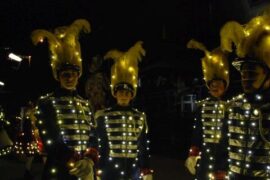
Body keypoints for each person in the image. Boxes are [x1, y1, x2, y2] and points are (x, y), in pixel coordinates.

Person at [31, 19, 98, 180]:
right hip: (60, 170)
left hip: (86, 170)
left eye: (73, 74)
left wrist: (89, 159)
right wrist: (75, 160)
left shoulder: (85, 103)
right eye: (65, 74)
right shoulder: (46, 102)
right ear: (58, 76)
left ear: (78, 75)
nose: (70, 78)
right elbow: (51, 140)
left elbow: (94, 135)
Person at [220, 14, 270, 180]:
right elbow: (224, 145)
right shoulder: (233, 106)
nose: (245, 77)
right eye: (243, 72)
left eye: (252, 72)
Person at [94, 41, 153, 180]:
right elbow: (99, 143)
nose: (123, 96)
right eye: (120, 92)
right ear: (115, 94)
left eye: (127, 93)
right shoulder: (103, 116)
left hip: (133, 170)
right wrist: (97, 167)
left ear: (131, 95)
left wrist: (146, 168)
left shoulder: (139, 117)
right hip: (109, 170)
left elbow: (143, 146)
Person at [185, 39, 229, 180]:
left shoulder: (231, 106)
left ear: (225, 85)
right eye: (212, 84)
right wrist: (193, 152)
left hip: (225, 155)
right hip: (206, 154)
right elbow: (197, 130)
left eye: (219, 83)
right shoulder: (202, 106)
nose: (215, 86)